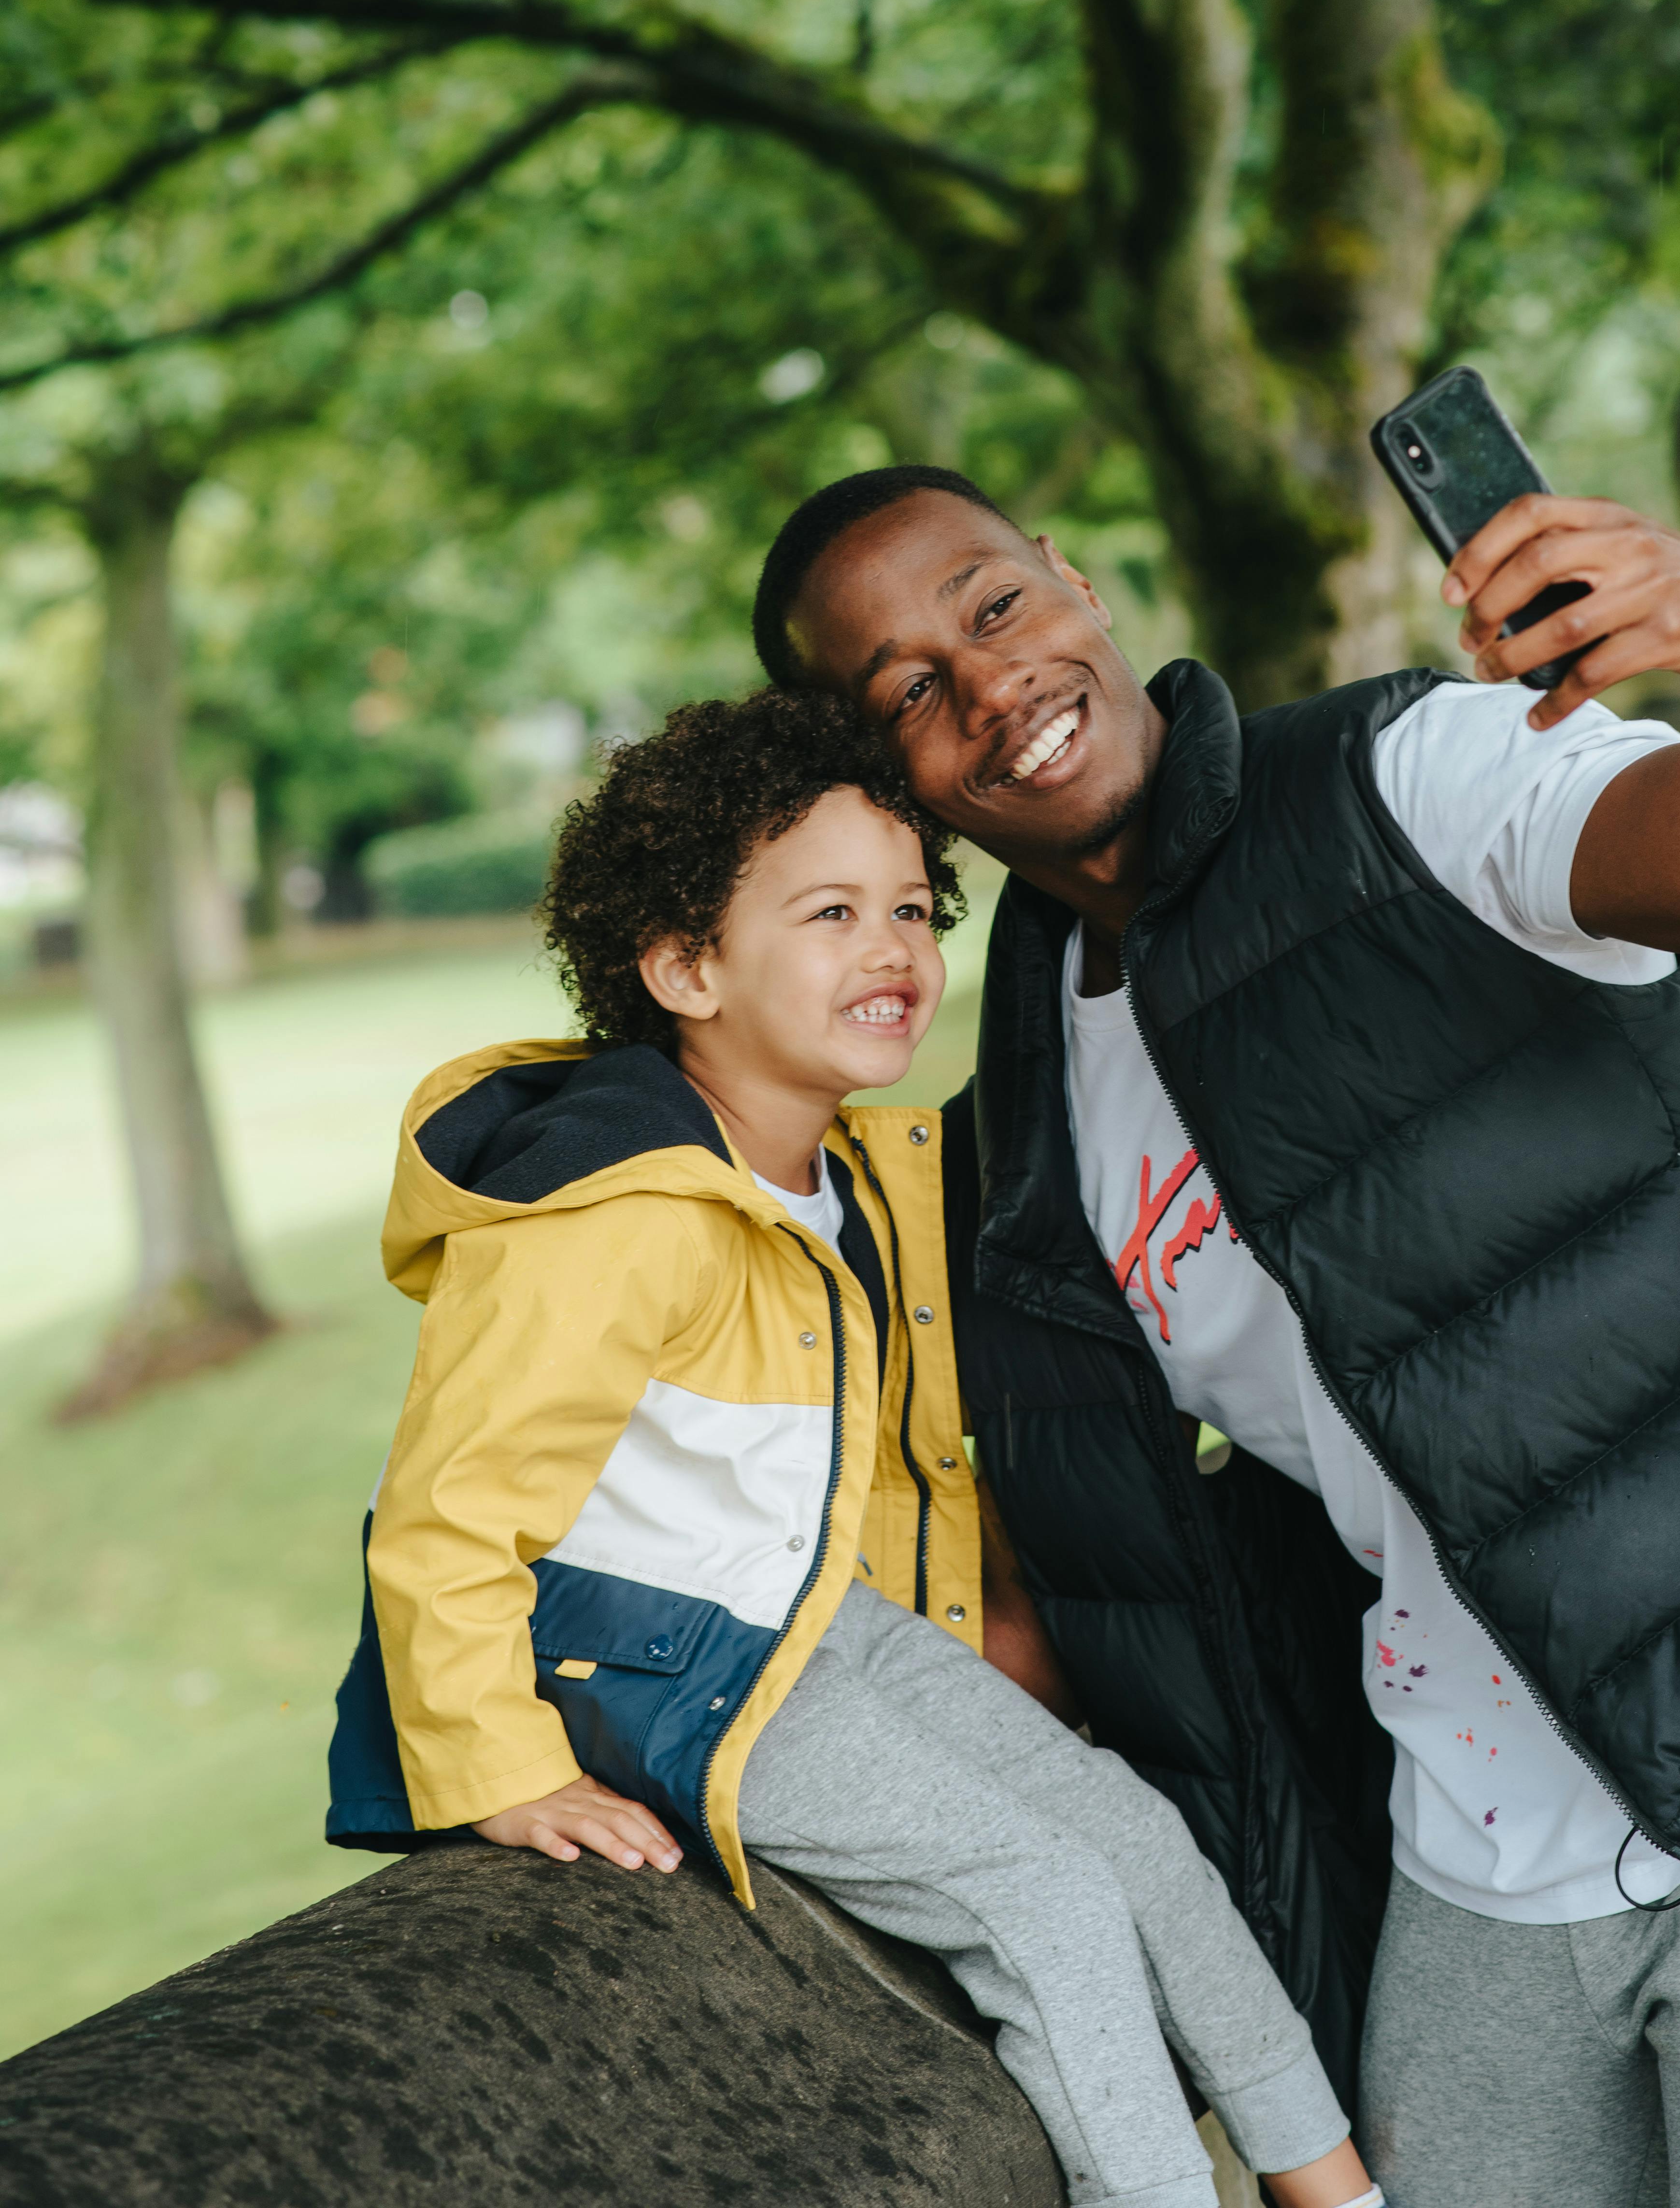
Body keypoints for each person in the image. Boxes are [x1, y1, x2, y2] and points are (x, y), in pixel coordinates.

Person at [752, 462, 1680, 2208]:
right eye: (908, 691)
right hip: (1481, 1837)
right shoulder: (1027, 1086)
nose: (988, 683)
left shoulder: (1416, 779)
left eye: (995, 605)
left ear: (1074, 578)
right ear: (887, 775)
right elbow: (1111, 1542)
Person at [324, 688, 1379, 2208]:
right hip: (630, 1650)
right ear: (686, 965)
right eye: (829, 913)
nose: (893, 950)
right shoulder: (614, 1210)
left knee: (1130, 1831)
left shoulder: (849, 1172)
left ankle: (1335, 2188)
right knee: (1048, 1902)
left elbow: (861, 1467)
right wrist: (498, 1767)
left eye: (909, 907)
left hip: (795, 1614)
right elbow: (444, 1512)